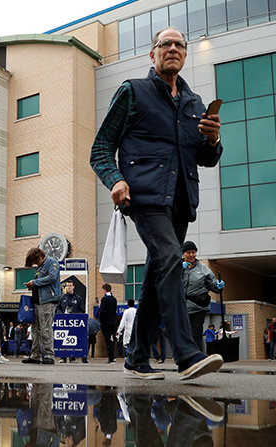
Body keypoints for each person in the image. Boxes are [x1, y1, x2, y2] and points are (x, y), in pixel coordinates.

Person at [90, 27, 223, 380]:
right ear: (153, 54)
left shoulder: (194, 104)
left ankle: (136, 358)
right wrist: (115, 179)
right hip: (144, 195)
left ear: (185, 54)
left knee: (155, 274)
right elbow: (100, 148)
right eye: (166, 44)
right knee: (169, 258)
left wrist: (213, 140)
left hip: (181, 202)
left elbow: (205, 159)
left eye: (180, 45)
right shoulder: (134, 92)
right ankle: (186, 353)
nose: (174, 49)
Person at [180, 240, 224, 353]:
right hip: (180, 306)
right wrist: (178, 269)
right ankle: (186, 354)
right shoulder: (177, 267)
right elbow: (167, 280)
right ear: (183, 254)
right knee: (178, 331)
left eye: (193, 252)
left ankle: (197, 357)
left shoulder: (203, 269)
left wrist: (218, 286)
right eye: (188, 252)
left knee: (196, 332)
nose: (191, 255)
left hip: (198, 306)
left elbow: (212, 283)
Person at [22, 247, 61, 365]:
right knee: (36, 329)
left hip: (48, 301)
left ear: (40, 256)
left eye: (35, 261)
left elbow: (52, 277)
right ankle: (35, 355)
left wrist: (34, 283)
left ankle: (49, 355)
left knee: (46, 328)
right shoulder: (40, 267)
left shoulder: (52, 262)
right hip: (38, 301)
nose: (35, 264)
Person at [57, 280, 88, 363]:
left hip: (74, 323)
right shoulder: (62, 297)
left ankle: (72, 358)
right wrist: (61, 313)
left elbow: (82, 310)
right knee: (64, 339)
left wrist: (74, 314)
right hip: (64, 322)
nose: (68, 287)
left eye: (70, 285)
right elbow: (58, 308)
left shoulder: (78, 298)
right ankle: (63, 357)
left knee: (73, 339)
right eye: (67, 285)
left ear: (73, 287)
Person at [98, 284, 118, 363]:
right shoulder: (114, 299)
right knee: (112, 339)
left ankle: (110, 358)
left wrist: (100, 306)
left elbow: (102, 312)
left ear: (105, 290)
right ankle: (113, 357)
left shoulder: (104, 299)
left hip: (106, 323)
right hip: (113, 322)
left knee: (107, 340)